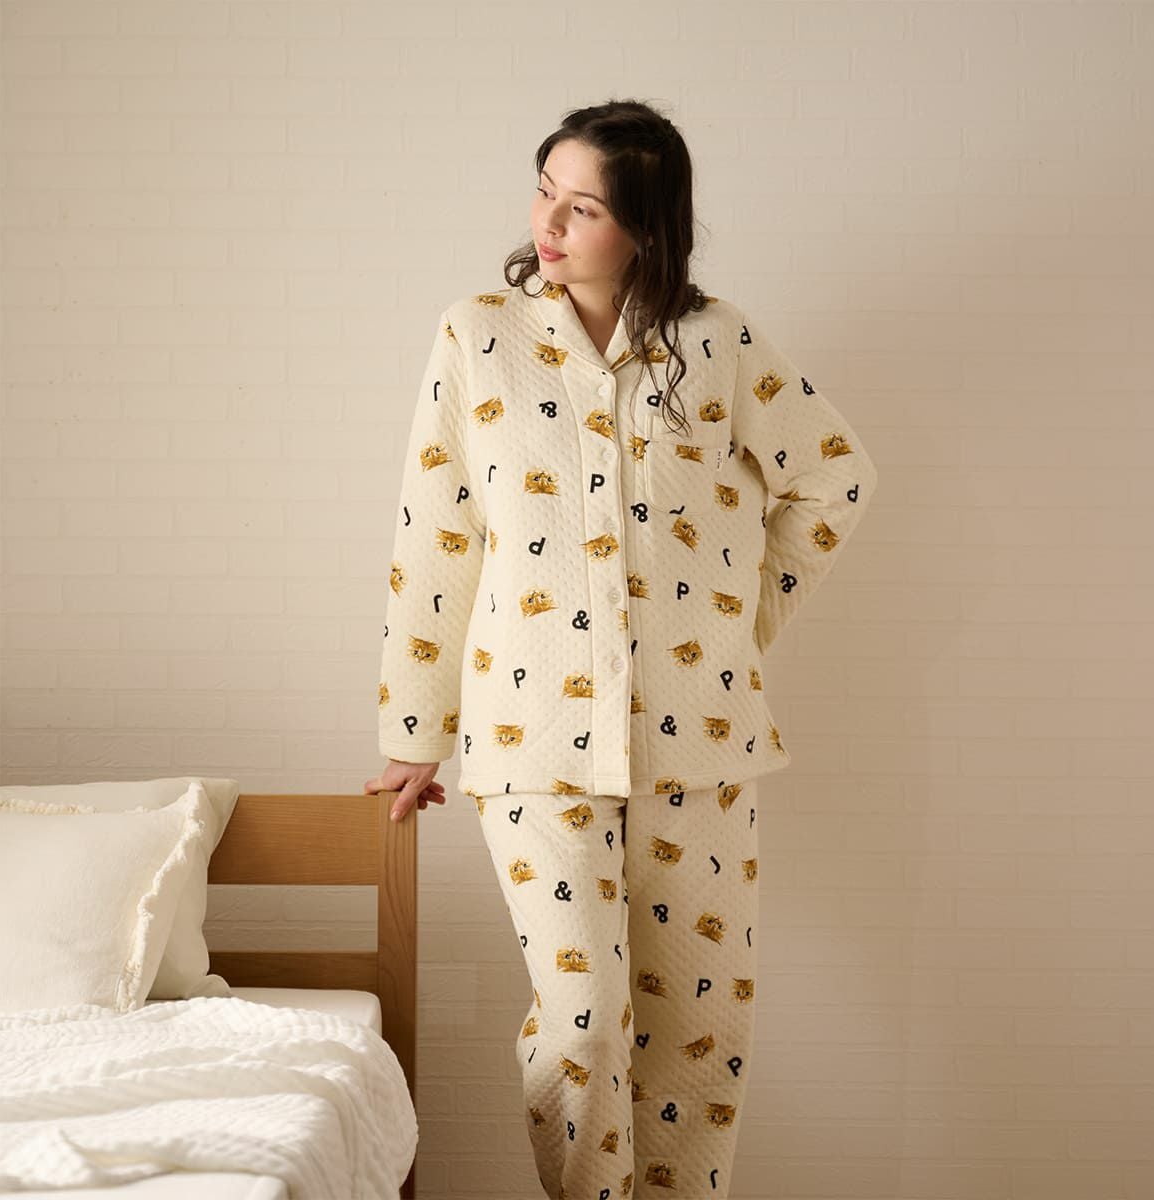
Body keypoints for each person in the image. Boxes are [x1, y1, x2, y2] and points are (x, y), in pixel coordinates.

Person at [365, 98, 879, 1199]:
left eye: (584, 207)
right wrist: (415, 730)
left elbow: (833, 476)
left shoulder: (717, 343)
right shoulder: (477, 339)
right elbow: (438, 533)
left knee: (699, 1027)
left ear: (646, 226)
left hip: (700, 742)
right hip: (530, 738)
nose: (549, 223)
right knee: (587, 1024)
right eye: (544, 193)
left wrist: (737, 625)